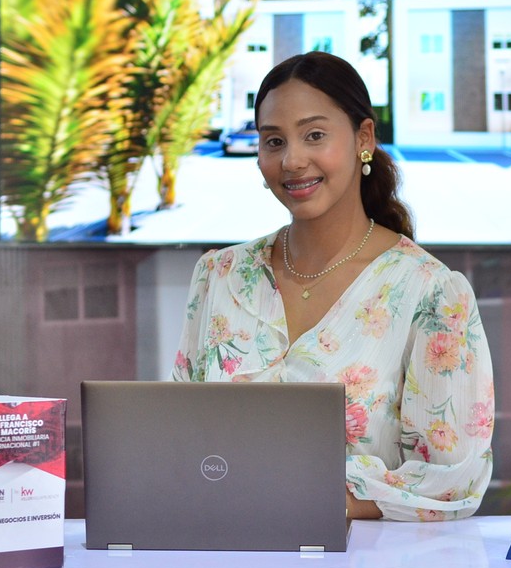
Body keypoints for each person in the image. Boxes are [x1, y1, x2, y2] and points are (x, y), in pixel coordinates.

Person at [172, 51, 494, 521]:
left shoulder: (431, 293)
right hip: (222, 551)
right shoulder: (219, 275)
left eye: (315, 135)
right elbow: (179, 440)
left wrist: (311, 503)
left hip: (362, 561)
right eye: (274, 141)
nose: (292, 160)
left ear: (364, 138)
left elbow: (452, 481)